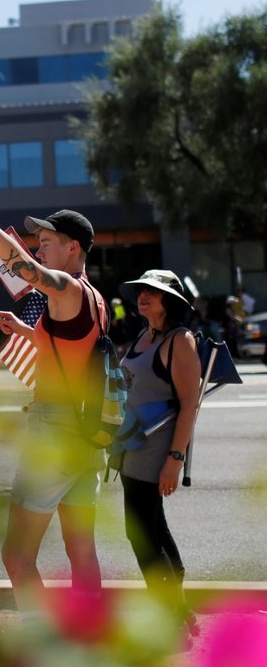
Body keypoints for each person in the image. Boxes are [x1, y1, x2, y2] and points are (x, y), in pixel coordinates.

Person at [0, 207, 106, 618]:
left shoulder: (66, 288)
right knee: (81, 551)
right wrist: (27, 331)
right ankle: (90, 643)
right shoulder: (93, 297)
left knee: (16, 555)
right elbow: (71, 353)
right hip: (87, 434)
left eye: (46, 243)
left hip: (56, 432)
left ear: (72, 247)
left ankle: (47, 649)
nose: (39, 250)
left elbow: (25, 270)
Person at [114, 270, 200, 632]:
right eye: (142, 291)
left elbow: (189, 403)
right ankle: (179, 610)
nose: (144, 296)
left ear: (171, 301)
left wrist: (175, 460)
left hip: (155, 454)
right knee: (155, 529)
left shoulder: (180, 341)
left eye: (154, 292)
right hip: (131, 448)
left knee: (142, 533)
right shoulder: (144, 335)